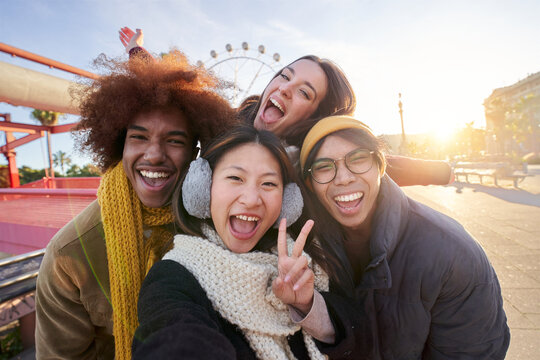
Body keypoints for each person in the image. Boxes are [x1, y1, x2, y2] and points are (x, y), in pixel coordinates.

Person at [35, 52, 237, 359]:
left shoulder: (218, 225)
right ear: (119, 146)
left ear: (196, 153)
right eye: (139, 138)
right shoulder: (70, 253)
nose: (154, 154)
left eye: (174, 140)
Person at [119, 26, 454, 187]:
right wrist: (137, 52)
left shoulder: (312, 155)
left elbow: (377, 162)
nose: (285, 89)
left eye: (305, 93)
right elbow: (182, 95)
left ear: (316, 116)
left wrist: (440, 171)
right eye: (284, 76)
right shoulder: (227, 123)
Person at [299, 115, 510, 359]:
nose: (344, 178)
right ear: (310, 183)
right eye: (324, 167)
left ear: (381, 166)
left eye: (358, 160)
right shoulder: (308, 252)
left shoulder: (452, 255)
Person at [131, 125, 333, 359]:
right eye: (235, 178)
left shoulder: (306, 264)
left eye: (268, 184)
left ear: (287, 201)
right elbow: (173, 334)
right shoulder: (173, 277)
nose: (251, 199)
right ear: (204, 188)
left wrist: (307, 305)